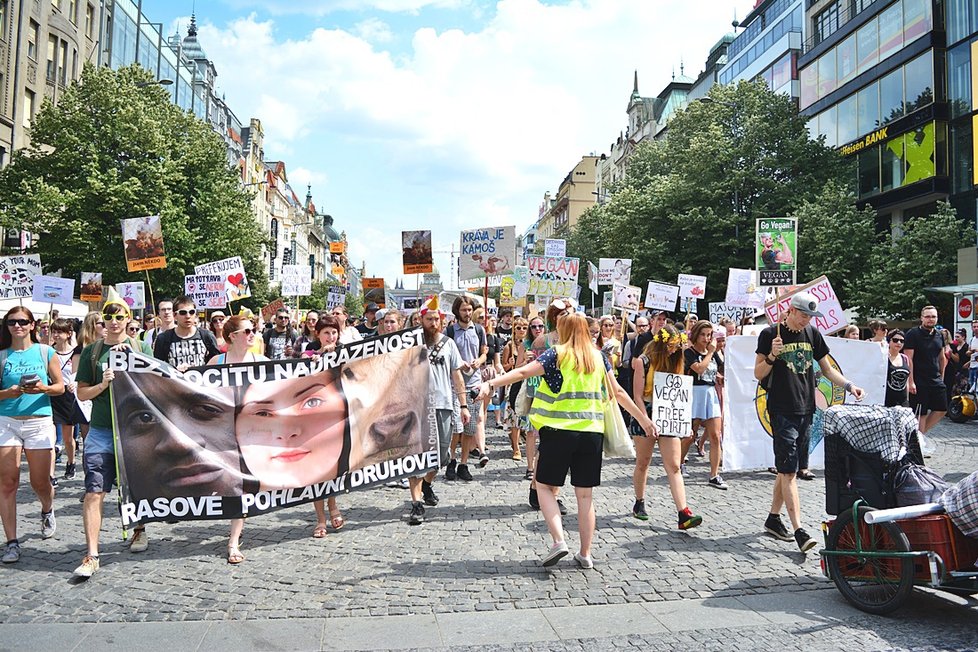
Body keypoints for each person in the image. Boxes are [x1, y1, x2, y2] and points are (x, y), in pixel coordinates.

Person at [478, 312, 654, 569]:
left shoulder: (557, 354)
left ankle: (559, 540)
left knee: (544, 487)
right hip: (591, 434)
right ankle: (586, 554)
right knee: (585, 497)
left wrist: (491, 383)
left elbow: (523, 372)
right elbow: (617, 392)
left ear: (563, 331)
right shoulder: (599, 358)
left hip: (558, 432)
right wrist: (644, 420)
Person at [755, 291, 865, 554]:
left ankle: (773, 518)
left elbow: (827, 369)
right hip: (781, 410)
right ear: (791, 310)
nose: (807, 320)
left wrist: (850, 386)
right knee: (790, 472)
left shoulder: (812, 334)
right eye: (804, 315)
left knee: (786, 468)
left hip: (806, 409)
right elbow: (758, 373)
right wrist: (771, 356)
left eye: (810, 316)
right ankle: (799, 530)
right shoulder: (771, 334)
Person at [72, 293, 153, 577]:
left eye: (120, 317)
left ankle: (139, 531)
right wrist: (103, 385)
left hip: (132, 431)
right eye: (109, 316)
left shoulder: (140, 347)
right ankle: (92, 553)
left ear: (128, 319)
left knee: (133, 486)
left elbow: (154, 387)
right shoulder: (93, 353)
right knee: (94, 491)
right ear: (102, 321)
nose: (115, 322)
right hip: (101, 431)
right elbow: (81, 392)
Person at [0, 307, 64, 564]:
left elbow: (60, 387)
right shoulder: (2, 356)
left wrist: (43, 388)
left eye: (22, 322)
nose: (17, 326)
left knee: (40, 483)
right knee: (7, 483)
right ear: (6, 326)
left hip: (39, 422)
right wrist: (9, 393)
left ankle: (47, 509)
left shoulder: (45, 351)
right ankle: (11, 542)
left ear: (32, 325)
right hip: (7, 423)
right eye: (12, 322)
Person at [204, 314, 267, 564]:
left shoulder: (261, 361)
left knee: (241, 486)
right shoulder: (216, 361)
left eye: (254, 330)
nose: (253, 334)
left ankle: (233, 541)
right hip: (223, 433)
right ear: (232, 336)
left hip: (252, 433)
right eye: (247, 331)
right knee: (228, 484)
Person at [630, 325, 702, 529]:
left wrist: (682, 423)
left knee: (674, 465)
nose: (673, 350)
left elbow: (680, 396)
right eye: (671, 346)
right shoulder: (642, 361)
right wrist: (645, 420)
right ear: (662, 344)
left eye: (677, 347)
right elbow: (636, 396)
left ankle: (683, 512)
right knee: (643, 462)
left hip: (668, 413)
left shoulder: (675, 361)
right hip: (645, 411)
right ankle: (639, 501)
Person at [407, 296, 469, 525]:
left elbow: (456, 374)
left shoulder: (448, 344)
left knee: (441, 457)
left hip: (443, 404)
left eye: (436, 319)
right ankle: (416, 503)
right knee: (416, 457)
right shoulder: (410, 344)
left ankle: (427, 484)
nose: (433, 323)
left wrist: (463, 405)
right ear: (420, 320)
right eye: (429, 319)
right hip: (416, 407)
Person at [299, 314, 347, 536]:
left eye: (334, 332)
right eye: (326, 333)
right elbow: (302, 371)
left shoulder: (345, 349)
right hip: (314, 416)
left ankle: (333, 504)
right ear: (317, 334)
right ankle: (320, 518)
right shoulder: (309, 349)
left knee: (334, 465)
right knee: (318, 468)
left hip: (337, 415)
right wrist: (317, 355)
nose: (331, 337)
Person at [443, 296, 486, 482]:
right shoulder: (451, 330)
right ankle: (451, 460)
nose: (467, 313)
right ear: (457, 311)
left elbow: (485, 352)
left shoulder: (479, 329)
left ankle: (464, 463)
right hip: (455, 384)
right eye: (463, 310)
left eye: (469, 310)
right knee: (456, 426)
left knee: (469, 428)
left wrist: (479, 361)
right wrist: (460, 364)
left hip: (474, 382)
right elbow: (446, 355)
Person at [685, 321, 725, 490]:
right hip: (695, 392)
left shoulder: (713, 353)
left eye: (709, 335)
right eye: (703, 334)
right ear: (696, 334)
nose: (706, 338)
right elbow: (699, 368)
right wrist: (710, 353)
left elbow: (719, 369)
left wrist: (720, 376)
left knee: (715, 434)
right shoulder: (689, 352)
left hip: (710, 393)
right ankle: (679, 462)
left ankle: (714, 474)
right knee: (689, 433)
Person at [49, 318, 87, 481]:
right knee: (50, 437)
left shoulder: (75, 352)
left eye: (59, 332)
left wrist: (75, 384)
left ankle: (71, 462)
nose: (56, 335)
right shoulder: (49, 351)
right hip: (51, 394)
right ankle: (50, 474)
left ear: (68, 334)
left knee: (67, 437)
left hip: (68, 396)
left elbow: (77, 375)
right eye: (54, 331)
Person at [904, 306, 947, 440]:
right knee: (920, 413)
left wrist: (942, 377)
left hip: (935, 379)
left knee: (942, 409)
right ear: (922, 318)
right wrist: (911, 382)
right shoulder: (912, 334)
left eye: (933, 317)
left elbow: (942, 357)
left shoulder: (940, 335)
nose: (930, 319)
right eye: (927, 316)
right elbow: (908, 359)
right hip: (919, 380)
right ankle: (919, 445)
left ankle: (917, 438)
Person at [153, 296, 221, 370]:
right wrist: (175, 370)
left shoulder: (207, 336)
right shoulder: (163, 338)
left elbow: (217, 364)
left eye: (192, 312)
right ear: (175, 315)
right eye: (183, 313)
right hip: (174, 381)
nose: (188, 316)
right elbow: (158, 368)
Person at [501, 317, 530, 460]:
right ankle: (516, 448)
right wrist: (510, 364)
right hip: (514, 384)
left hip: (528, 383)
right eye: (518, 328)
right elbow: (504, 368)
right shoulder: (509, 347)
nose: (522, 331)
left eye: (524, 328)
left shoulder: (531, 345)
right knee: (514, 417)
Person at [885, 329, 910, 408]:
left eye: (902, 341)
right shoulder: (883, 357)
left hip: (902, 400)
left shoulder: (905, 358)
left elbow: (907, 381)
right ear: (889, 341)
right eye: (895, 340)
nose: (899, 343)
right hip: (886, 400)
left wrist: (907, 398)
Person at [945, 328, 970, 400]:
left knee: (961, 390)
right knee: (954, 390)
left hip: (964, 371)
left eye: (958, 337)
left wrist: (968, 363)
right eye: (955, 337)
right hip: (956, 370)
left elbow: (971, 357)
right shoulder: (955, 347)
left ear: (963, 337)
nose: (956, 339)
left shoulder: (967, 346)